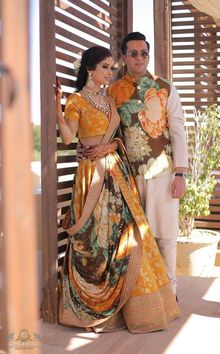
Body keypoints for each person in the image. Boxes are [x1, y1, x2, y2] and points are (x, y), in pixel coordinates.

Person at [55, 46, 180, 334]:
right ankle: (96, 307)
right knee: (97, 236)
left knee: (128, 235)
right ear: (90, 70)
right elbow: (68, 137)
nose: (111, 72)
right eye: (105, 67)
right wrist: (59, 108)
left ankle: (135, 308)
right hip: (92, 175)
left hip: (116, 171)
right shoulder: (76, 100)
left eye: (113, 67)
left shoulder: (110, 100)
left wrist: (109, 146)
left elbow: (119, 136)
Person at [106, 32, 189, 296]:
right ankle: (139, 293)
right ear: (124, 57)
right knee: (134, 237)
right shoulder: (113, 92)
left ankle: (170, 288)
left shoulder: (166, 88)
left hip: (162, 173)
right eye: (133, 53)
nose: (139, 58)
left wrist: (180, 174)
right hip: (128, 176)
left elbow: (178, 131)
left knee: (166, 235)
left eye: (144, 53)